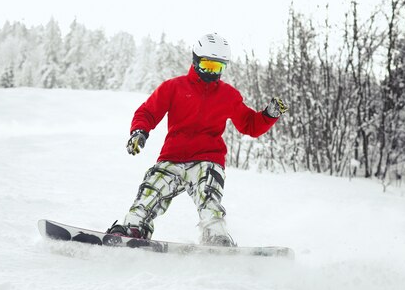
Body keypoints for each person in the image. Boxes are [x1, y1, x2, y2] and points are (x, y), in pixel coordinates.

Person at [107, 33, 288, 247]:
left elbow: (249, 124)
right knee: (152, 189)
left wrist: (268, 115)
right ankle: (134, 228)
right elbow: (148, 111)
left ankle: (215, 235)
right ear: (196, 60)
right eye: (208, 65)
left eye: (218, 68)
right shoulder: (174, 87)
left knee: (209, 194)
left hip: (208, 160)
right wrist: (139, 132)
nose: (212, 72)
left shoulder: (228, 95)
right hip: (172, 159)